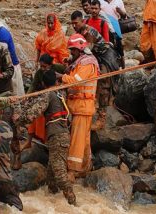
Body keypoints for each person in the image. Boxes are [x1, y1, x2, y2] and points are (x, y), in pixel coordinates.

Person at [2, 70, 76, 205]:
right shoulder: (61, 93)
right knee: (51, 172)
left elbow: (32, 114)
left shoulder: (48, 94)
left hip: (57, 136)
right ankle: (53, 197)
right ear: (55, 82)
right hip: (63, 134)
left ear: (42, 83)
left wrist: (18, 115)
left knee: (59, 173)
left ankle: (73, 203)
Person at [60, 34, 99, 180]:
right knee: (84, 140)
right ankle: (85, 167)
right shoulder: (81, 62)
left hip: (83, 106)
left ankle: (73, 170)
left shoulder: (87, 64)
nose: (71, 53)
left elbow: (75, 82)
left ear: (81, 49)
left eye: (73, 51)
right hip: (80, 106)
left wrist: (61, 77)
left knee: (77, 140)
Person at [26, 54, 66, 148]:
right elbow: (33, 85)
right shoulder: (39, 73)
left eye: (45, 66)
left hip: (57, 94)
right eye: (41, 66)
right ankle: (33, 139)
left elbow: (67, 74)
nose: (42, 68)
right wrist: (27, 96)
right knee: (38, 115)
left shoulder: (58, 68)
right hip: (45, 94)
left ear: (50, 65)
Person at [0, 12, 25, 96]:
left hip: (11, 67)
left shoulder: (2, 33)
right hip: (4, 68)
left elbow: (0, 54)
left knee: (15, 94)